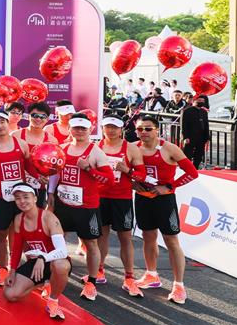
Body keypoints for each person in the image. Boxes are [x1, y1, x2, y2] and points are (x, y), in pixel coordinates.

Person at [132, 114, 198, 304]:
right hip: (143, 198)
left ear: (157, 130)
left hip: (165, 200)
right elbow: (128, 172)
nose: (143, 132)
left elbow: (192, 173)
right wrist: (133, 185)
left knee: (171, 240)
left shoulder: (168, 148)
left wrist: (168, 186)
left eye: (147, 128)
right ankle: (151, 274)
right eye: (139, 129)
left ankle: (179, 285)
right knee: (148, 236)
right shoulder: (133, 148)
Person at [51, 113, 113, 301]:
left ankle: (92, 282)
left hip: (86, 207)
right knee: (57, 240)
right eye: (75, 128)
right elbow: (54, 174)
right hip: (63, 205)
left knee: (91, 243)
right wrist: (50, 195)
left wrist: (88, 169)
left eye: (83, 128)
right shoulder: (61, 149)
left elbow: (109, 180)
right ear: (69, 129)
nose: (79, 131)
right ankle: (55, 276)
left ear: (90, 130)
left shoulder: (96, 152)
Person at [1, 183, 71, 320]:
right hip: (37, 263)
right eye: (18, 198)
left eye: (26, 197)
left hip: (54, 261)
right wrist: (12, 271)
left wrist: (42, 257)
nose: (22, 201)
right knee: (10, 294)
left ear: (35, 198)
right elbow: (17, 248)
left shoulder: (48, 218)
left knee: (61, 266)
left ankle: (53, 301)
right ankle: (43, 282)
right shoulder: (18, 219)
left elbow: (62, 251)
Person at [0, 109, 32, 287]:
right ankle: (3, 269)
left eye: (2, 121)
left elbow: (30, 167)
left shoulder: (21, 144)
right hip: (0, 197)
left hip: (21, 200)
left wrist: (41, 176)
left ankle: (16, 267)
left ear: (7, 122)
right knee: (1, 234)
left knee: (20, 234)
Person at [98, 115, 146, 296]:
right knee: (100, 235)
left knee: (125, 237)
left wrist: (127, 170)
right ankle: (99, 270)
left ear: (121, 129)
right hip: (100, 197)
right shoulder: (96, 147)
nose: (110, 131)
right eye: (107, 127)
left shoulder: (131, 148)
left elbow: (142, 175)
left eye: (114, 127)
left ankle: (129, 276)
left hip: (122, 198)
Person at [14, 101, 56, 209]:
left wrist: (50, 191)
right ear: (28, 116)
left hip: (40, 186)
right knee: (15, 219)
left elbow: (55, 168)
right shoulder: (16, 135)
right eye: (35, 115)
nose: (38, 119)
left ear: (47, 119)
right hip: (17, 183)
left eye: (43, 117)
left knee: (36, 218)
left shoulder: (52, 140)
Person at [180, 94, 210, 168]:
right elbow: (184, 125)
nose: (201, 102)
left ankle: (195, 167)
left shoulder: (204, 111)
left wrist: (207, 137)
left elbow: (206, 125)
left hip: (201, 136)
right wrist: (185, 137)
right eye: (199, 100)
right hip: (190, 136)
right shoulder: (187, 111)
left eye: (203, 101)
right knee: (187, 154)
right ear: (194, 101)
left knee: (199, 154)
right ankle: (186, 168)